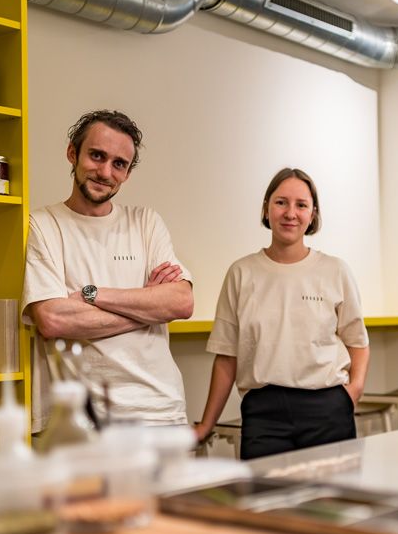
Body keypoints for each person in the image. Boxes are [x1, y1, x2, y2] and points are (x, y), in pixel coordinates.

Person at [22, 110, 194, 428]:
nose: (105, 172)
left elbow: (181, 302)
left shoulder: (146, 222)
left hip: (160, 411)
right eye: (97, 156)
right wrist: (147, 306)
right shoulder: (43, 224)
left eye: (119, 164)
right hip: (81, 420)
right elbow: (52, 319)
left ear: (127, 173)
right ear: (72, 153)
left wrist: (93, 294)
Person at [194, 168, 370, 459]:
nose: (290, 213)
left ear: (313, 214)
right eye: (281, 202)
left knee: (332, 490)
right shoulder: (241, 273)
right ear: (266, 208)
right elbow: (226, 357)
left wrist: (354, 392)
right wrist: (206, 425)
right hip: (264, 416)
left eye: (301, 205)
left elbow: (358, 342)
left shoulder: (335, 271)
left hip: (328, 410)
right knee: (265, 489)